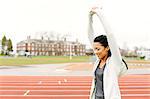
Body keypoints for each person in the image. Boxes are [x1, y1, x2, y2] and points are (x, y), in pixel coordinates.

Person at [88, 7, 128, 99]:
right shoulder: (98, 62)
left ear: (107, 48)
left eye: (98, 49)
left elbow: (110, 34)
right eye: (94, 49)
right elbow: (89, 34)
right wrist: (90, 16)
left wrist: (99, 13)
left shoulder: (114, 62)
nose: (95, 52)